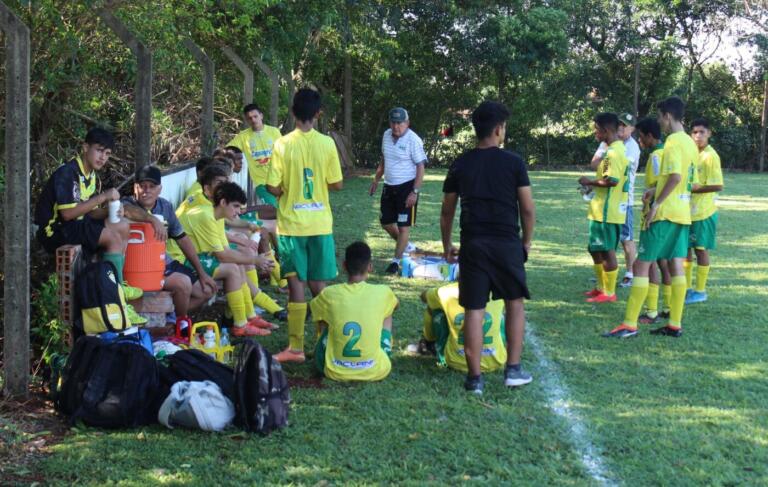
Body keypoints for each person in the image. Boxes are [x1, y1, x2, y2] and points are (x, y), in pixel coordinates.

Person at [440, 100, 536, 395]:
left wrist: (447, 246)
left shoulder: (461, 163)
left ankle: (475, 379)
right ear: (498, 129)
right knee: (514, 303)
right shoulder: (514, 162)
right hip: (507, 242)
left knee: (474, 309)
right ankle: (513, 370)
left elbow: (447, 211)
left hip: (474, 244)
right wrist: (526, 242)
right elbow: (528, 210)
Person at [603, 96, 699, 338]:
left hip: (664, 215)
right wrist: (654, 190)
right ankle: (674, 324)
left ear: (667, 115)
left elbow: (675, 177)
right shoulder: (690, 143)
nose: (659, 122)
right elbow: (682, 181)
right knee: (677, 265)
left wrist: (656, 203)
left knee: (641, 264)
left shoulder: (673, 144)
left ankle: (629, 324)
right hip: (682, 214)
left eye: (659, 117)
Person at [34, 127, 146, 325]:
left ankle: (118, 283)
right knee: (111, 237)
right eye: (99, 150)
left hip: (73, 224)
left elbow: (87, 211)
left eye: (108, 153)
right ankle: (116, 295)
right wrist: (102, 197)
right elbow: (67, 214)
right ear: (85, 147)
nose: (103, 157)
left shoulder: (92, 175)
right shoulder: (68, 173)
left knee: (121, 225)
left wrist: (109, 211)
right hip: (54, 230)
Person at [267, 88, 344, 363]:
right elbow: (337, 183)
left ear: (292, 112)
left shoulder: (281, 144)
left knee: (296, 286)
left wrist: (287, 188)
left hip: (291, 226)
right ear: (318, 114)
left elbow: (273, 187)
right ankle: (329, 345)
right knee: (319, 285)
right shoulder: (327, 143)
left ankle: (295, 348)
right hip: (320, 224)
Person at [169, 169, 276, 337]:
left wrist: (250, 256)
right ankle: (241, 324)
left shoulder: (214, 212)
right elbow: (222, 255)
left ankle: (248, 317)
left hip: (194, 256)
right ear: (223, 202)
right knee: (232, 268)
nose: (238, 211)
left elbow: (225, 249)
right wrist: (254, 260)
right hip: (181, 260)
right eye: (235, 207)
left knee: (237, 264)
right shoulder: (206, 214)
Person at [122, 165, 218, 334]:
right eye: (142, 186)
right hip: (137, 270)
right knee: (183, 283)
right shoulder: (127, 204)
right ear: (134, 187)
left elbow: (183, 239)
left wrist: (202, 273)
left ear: (160, 189)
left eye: (152, 186)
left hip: (163, 263)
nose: (146, 191)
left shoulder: (165, 206)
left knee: (207, 290)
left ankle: (172, 318)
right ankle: (182, 327)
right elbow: (126, 211)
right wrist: (151, 219)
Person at [311, 242, 397, 381]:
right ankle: (383, 348)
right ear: (370, 267)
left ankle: (327, 350)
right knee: (388, 310)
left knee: (324, 315)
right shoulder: (383, 292)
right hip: (375, 370)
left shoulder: (329, 293)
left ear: (344, 266)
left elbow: (315, 311)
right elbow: (395, 305)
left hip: (332, 370)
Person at [369, 107, 427, 275]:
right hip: (389, 186)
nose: (396, 126)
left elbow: (420, 167)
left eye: (400, 123)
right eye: (393, 122)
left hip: (407, 188)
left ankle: (395, 262)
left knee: (403, 228)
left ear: (407, 123)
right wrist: (376, 179)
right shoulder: (386, 136)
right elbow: (384, 159)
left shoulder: (413, 140)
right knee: (386, 223)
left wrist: (414, 192)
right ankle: (407, 246)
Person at [580, 113, 629, 304]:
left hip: (608, 212)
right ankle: (601, 287)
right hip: (600, 209)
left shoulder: (613, 153)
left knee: (607, 250)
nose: (595, 134)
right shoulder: (614, 150)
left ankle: (609, 292)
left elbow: (612, 181)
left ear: (606, 130)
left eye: (597, 130)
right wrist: (592, 187)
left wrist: (589, 181)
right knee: (594, 248)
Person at [419, 282, 507, 373]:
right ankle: (502, 353)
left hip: (453, 362)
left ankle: (437, 355)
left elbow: (423, 297)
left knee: (436, 311)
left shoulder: (445, 292)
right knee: (501, 315)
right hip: (496, 363)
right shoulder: (499, 290)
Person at [634, 117, 671, 324]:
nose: (640, 140)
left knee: (648, 263)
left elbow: (661, 184)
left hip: (655, 215)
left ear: (649, 135)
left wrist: (651, 199)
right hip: (668, 215)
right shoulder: (668, 151)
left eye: (641, 136)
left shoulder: (657, 156)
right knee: (664, 261)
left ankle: (651, 311)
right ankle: (667, 307)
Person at [685, 118, 724, 304]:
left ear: (709, 133)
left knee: (700, 250)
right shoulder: (692, 153)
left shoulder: (711, 156)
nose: (698, 135)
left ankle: (700, 290)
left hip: (704, 212)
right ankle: (685, 287)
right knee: (685, 250)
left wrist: (693, 188)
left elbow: (718, 185)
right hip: (687, 211)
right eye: (694, 132)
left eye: (702, 132)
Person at [228, 103, 283, 208]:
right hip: (261, 184)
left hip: (279, 180)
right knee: (275, 210)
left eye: (255, 116)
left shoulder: (274, 132)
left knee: (286, 209)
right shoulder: (243, 137)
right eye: (249, 118)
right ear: (247, 120)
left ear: (261, 116)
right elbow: (228, 150)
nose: (253, 120)